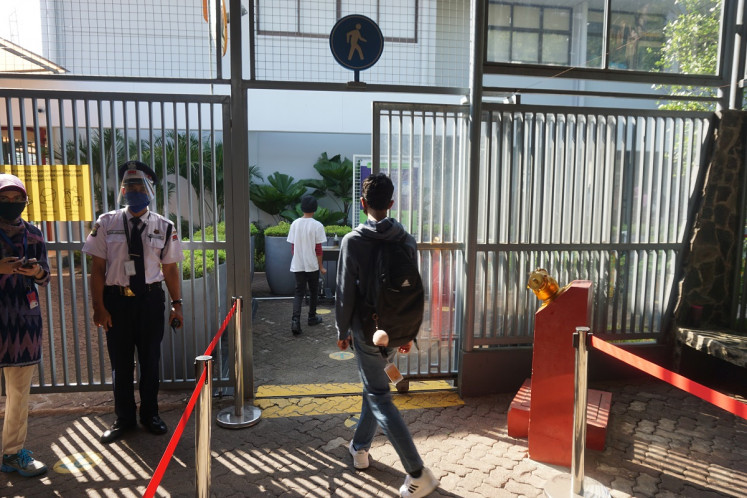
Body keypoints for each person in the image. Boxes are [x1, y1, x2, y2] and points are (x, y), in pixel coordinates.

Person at [335, 173, 439, 498]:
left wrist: (341, 330)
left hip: (366, 329)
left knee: (379, 394)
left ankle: (418, 473)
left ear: (362, 203)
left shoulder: (353, 241)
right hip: (395, 330)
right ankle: (360, 448)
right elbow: (413, 291)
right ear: (392, 204)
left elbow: (343, 293)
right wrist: (408, 333)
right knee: (375, 386)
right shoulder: (405, 239)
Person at [82, 161, 184, 444]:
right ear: (123, 190)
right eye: (130, 187)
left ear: (150, 190)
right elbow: (98, 270)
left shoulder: (165, 226)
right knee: (121, 364)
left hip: (150, 302)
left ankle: (150, 414)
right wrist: (98, 307)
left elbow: (171, 270)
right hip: (117, 303)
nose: (134, 191)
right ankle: (124, 418)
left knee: (151, 361)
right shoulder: (106, 223)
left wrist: (178, 304)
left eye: (141, 187)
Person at [0, 173, 50, 477]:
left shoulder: (33, 234)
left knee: (19, 394)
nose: (11, 204)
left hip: (23, 323)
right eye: (4, 199)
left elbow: (46, 275)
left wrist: (34, 272)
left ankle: (12, 453)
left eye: (17, 198)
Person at [287, 195, 327, 335]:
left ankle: (295, 321)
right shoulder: (317, 225)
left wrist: (299, 258)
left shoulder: (295, 224)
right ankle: (311, 317)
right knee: (314, 291)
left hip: (298, 264)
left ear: (301, 208)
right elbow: (318, 249)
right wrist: (321, 266)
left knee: (299, 292)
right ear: (315, 209)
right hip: (312, 265)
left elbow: (293, 247)